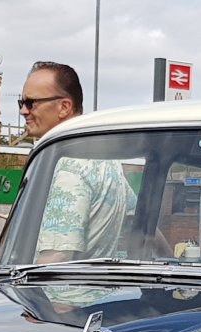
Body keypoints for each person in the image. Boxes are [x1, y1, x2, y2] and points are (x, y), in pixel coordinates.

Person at [18, 61, 137, 261]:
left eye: (31, 103)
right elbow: (145, 231)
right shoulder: (108, 163)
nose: (23, 111)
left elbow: (54, 260)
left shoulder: (68, 167)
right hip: (98, 288)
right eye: (21, 103)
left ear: (64, 107)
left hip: (59, 292)